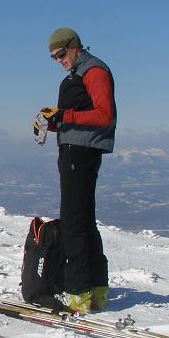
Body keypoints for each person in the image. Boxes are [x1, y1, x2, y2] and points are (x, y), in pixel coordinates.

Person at [38, 27, 116, 314]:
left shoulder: (93, 72)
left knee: (73, 222)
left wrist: (64, 116)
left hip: (80, 153)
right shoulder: (78, 75)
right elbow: (79, 118)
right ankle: (97, 290)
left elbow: (104, 114)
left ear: (74, 47)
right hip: (77, 149)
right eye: (54, 58)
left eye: (61, 54)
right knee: (83, 220)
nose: (59, 60)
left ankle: (78, 293)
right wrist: (52, 122)